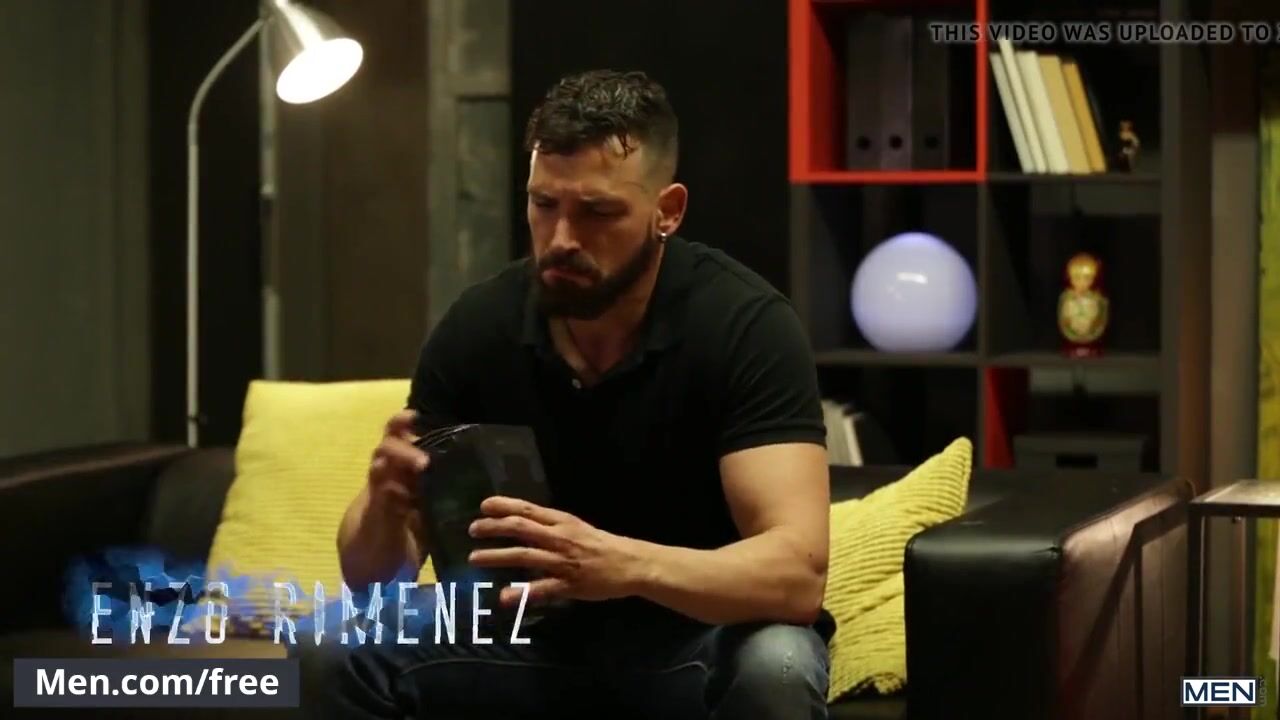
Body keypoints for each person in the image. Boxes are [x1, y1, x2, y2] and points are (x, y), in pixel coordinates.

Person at [316, 68, 833, 720]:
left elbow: (796, 576)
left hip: (693, 636)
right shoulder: (479, 327)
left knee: (778, 662)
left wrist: (623, 566)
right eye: (544, 205)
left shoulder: (745, 326)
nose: (562, 240)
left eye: (598, 212)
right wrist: (384, 512)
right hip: (518, 635)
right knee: (331, 642)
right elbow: (371, 581)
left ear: (667, 211)